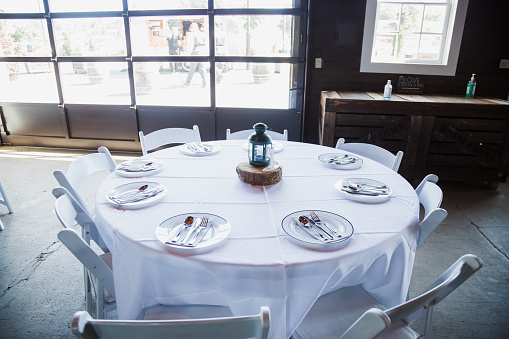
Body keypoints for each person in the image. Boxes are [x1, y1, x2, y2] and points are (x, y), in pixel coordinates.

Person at [182, 22, 207, 87]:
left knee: (192, 68)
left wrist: (188, 54)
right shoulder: (202, 34)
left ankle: (188, 82)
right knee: (202, 68)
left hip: (195, 52)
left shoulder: (192, 34)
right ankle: (205, 83)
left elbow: (190, 45)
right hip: (202, 52)